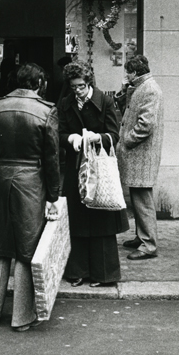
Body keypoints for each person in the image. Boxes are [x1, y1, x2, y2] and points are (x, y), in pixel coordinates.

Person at [0, 63, 61, 332]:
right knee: (27, 247)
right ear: (39, 83)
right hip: (32, 181)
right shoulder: (47, 111)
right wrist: (53, 195)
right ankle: (22, 316)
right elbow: (52, 158)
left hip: (2, 178)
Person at [58, 60, 128, 287]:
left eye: (80, 86)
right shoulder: (66, 103)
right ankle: (78, 271)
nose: (76, 90)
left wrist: (98, 138)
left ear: (88, 82)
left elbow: (114, 135)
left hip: (98, 166)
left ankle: (104, 274)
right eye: (73, 86)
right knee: (77, 220)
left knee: (101, 219)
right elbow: (59, 133)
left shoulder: (106, 102)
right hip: (75, 167)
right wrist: (70, 138)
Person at [115, 55, 164, 261]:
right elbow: (126, 107)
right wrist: (126, 90)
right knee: (137, 198)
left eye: (128, 71)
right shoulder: (142, 87)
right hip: (139, 154)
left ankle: (148, 244)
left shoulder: (150, 89)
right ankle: (141, 236)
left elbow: (146, 124)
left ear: (135, 72)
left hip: (141, 154)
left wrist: (127, 140)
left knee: (142, 200)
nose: (126, 75)